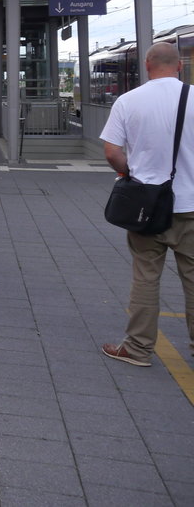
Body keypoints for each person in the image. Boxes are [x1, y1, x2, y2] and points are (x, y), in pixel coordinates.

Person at [100, 41, 194, 366]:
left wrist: (129, 172)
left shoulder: (128, 101)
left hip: (146, 207)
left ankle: (138, 349)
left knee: (145, 276)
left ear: (147, 65)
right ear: (180, 66)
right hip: (191, 207)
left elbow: (112, 151)